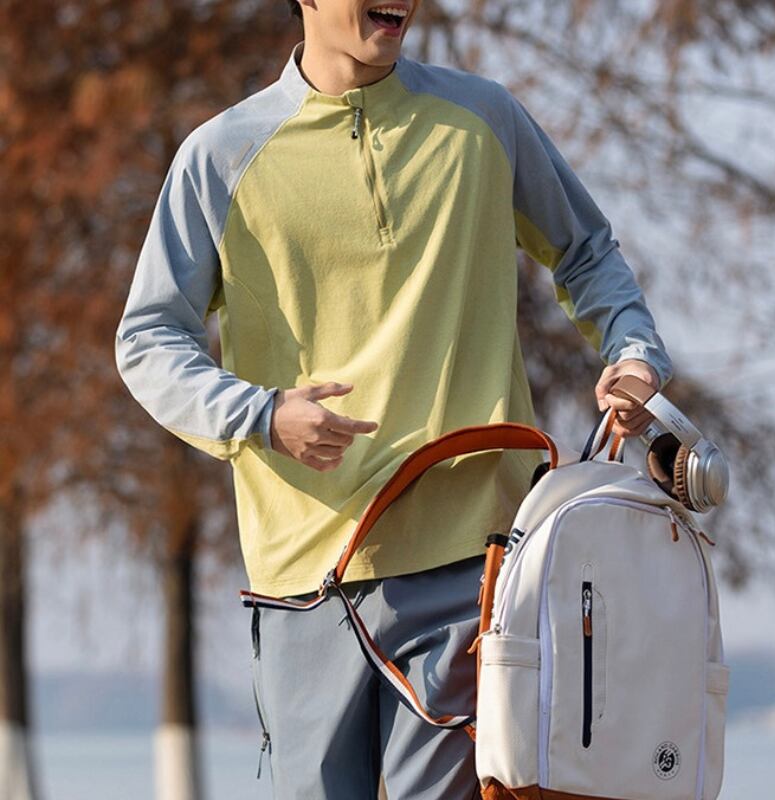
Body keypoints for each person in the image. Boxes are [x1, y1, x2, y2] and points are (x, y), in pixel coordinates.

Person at [115, 1, 672, 797]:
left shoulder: (484, 119)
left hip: (471, 561)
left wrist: (634, 352)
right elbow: (147, 338)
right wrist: (262, 416)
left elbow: (586, 250)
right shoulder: (220, 155)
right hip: (304, 576)